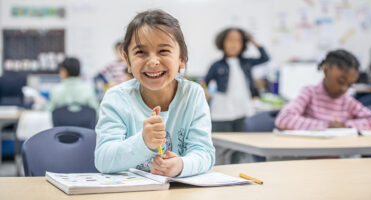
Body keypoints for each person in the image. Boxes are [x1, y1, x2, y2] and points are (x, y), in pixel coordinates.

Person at [95, 10, 215, 178]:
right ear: (127, 60)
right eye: (140, 52)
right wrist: (143, 142)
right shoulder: (116, 98)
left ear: (182, 58)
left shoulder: (193, 95)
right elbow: (103, 159)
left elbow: (204, 153)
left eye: (164, 51)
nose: (153, 61)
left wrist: (181, 165)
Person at [204, 28, 269, 165]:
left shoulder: (246, 62)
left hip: (243, 110)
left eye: (238, 41)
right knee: (221, 147)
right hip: (222, 111)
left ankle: (237, 172)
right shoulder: (216, 65)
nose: (234, 44)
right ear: (222, 43)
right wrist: (205, 91)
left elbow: (265, 58)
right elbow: (205, 81)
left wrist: (252, 41)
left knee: (241, 147)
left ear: (243, 44)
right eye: (230, 40)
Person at [275, 49, 371, 130]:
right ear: (326, 71)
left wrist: (346, 125)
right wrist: (327, 126)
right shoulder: (309, 94)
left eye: (350, 85)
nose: (344, 89)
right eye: (341, 81)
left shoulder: (347, 102)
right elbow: (283, 119)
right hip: (308, 156)